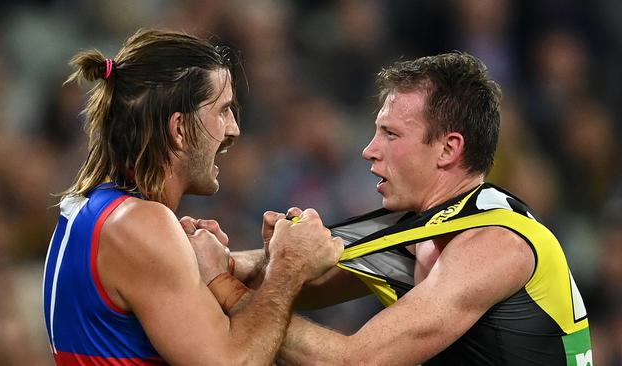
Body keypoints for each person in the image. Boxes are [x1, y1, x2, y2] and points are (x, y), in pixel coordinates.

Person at [210, 52, 593, 365]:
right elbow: (301, 285)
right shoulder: (426, 225)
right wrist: (226, 256)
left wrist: (221, 281)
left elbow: (352, 361)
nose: (368, 150)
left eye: (390, 134)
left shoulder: (494, 244)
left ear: (448, 149)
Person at [42, 29, 343, 365]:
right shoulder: (139, 224)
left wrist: (261, 260)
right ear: (180, 129)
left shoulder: (101, 211)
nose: (233, 129)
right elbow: (235, 362)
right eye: (223, 110)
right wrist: (287, 266)